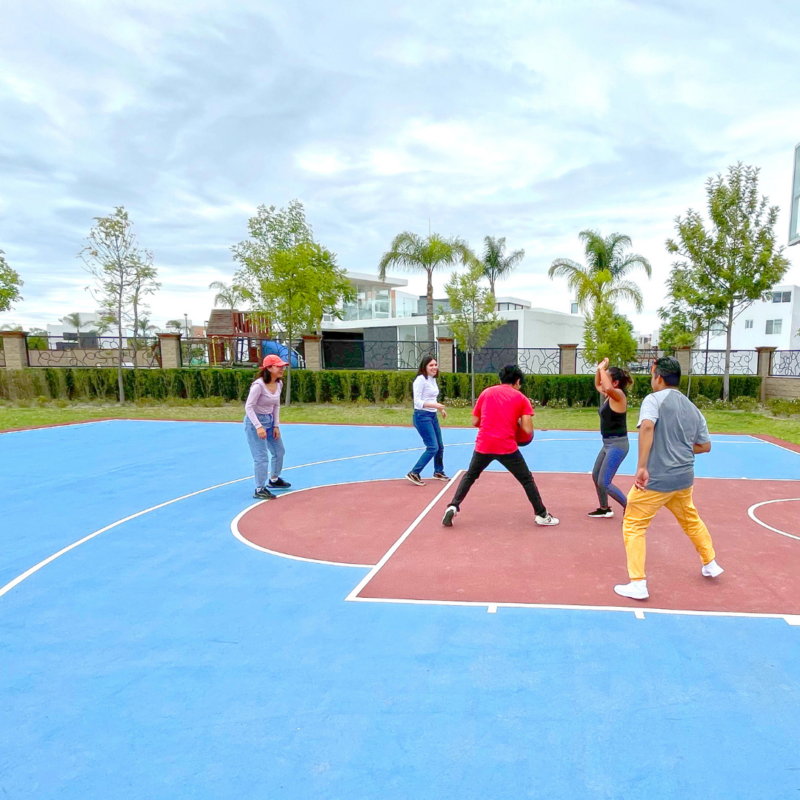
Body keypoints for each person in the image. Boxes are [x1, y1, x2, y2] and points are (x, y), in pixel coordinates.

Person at [614, 356, 723, 600]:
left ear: (659, 378)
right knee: (691, 519)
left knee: (633, 524)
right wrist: (680, 446)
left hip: (658, 479)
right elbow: (705, 446)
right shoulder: (692, 408)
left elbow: (647, 427)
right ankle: (710, 562)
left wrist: (642, 467)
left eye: (652, 375)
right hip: (684, 479)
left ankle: (638, 583)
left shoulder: (653, 400)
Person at [441, 365, 558, 527]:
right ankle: (541, 514)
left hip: (484, 444)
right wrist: (516, 423)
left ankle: (453, 506)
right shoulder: (521, 398)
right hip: (506, 446)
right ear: (517, 381)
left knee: (470, 475)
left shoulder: (486, 393)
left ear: (500, 379)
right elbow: (527, 430)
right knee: (526, 479)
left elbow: (475, 421)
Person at [588, 358, 633, 519]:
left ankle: (630, 508)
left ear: (615, 383)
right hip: (607, 444)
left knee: (604, 482)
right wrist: (599, 369)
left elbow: (606, 386)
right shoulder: (609, 395)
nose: (603, 380)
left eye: (606, 377)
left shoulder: (619, 395)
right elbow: (598, 385)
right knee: (596, 475)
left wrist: (602, 369)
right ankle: (604, 508)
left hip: (618, 444)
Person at [244, 354, 292, 500]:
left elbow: (276, 405)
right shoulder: (258, 386)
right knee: (261, 457)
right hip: (254, 423)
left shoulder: (279, 384)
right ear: (269, 368)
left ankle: (274, 479)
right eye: (279, 366)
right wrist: (258, 427)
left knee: (279, 451)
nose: (282, 369)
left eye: (283, 367)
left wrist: (276, 425)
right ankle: (259, 488)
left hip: (270, 422)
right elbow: (249, 407)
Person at [407, 355, 450, 486]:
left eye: (435, 365)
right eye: (431, 365)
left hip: (432, 416)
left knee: (440, 446)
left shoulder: (432, 379)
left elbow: (432, 398)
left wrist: (440, 409)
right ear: (424, 367)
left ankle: (438, 471)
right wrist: (435, 405)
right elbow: (417, 402)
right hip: (422, 416)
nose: (434, 367)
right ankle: (414, 472)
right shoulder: (420, 380)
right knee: (432, 447)